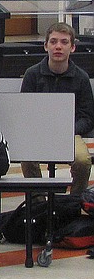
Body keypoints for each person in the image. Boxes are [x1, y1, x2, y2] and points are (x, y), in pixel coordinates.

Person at [20, 21, 94, 195]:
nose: (58, 47)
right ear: (46, 46)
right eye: (53, 42)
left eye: (64, 42)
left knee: (83, 161)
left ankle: (73, 204)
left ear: (73, 47)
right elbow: (25, 111)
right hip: (38, 133)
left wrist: (68, 130)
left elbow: (88, 117)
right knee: (27, 158)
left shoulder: (81, 78)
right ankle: (38, 205)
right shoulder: (32, 74)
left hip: (70, 134)